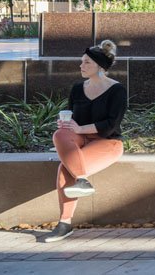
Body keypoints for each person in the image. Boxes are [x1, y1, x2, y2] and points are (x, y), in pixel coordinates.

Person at [42, 39, 127, 244]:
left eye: (86, 62)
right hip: (80, 139)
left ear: (99, 66)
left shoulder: (117, 90)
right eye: (82, 61)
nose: (81, 66)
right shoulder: (77, 89)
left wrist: (80, 129)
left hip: (108, 142)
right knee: (59, 134)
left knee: (65, 167)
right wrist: (68, 124)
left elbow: (111, 124)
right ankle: (82, 179)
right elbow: (73, 118)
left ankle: (64, 224)